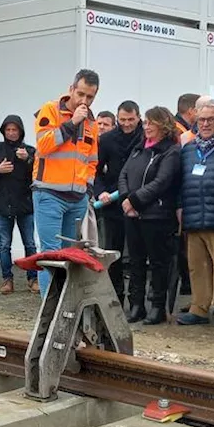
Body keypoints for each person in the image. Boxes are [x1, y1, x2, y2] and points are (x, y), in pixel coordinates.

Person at [33, 70, 102, 295]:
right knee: (51, 255)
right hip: (49, 194)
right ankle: (49, 308)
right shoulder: (50, 110)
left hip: (77, 198)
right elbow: (43, 145)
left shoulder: (92, 123)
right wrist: (72, 123)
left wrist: (87, 190)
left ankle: (64, 305)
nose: (84, 101)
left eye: (89, 97)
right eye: (80, 94)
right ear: (71, 89)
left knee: (69, 255)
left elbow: (92, 160)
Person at [118, 106, 182, 325]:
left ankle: (157, 306)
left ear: (162, 125)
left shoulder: (170, 151)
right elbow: (124, 174)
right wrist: (127, 199)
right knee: (135, 261)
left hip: (156, 215)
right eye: (144, 122)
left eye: (150, 123)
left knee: (157, 263)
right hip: (132, 215)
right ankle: (136, 305)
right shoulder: (139, 148)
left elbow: (162, 182)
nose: (146, 127)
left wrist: (135, 200)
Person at [177, 99, 214, 329]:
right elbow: (181, 181)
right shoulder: (189, 148)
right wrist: (179, 207)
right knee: (196, 264)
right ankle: (199, 307)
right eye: (202, 119)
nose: (206, 124)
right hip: (192, 212)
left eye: (211, 119)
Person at [0, 115, 38, 294]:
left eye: (15, 130)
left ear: (21, 131)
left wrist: (28, 159)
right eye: (8, 130)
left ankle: (33, 278)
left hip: (25, 204)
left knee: (30, 244)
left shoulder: (29, 150)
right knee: (5, 244)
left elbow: (39, 172)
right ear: (3, 131)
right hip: (3, 204)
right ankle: (7, 279)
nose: (11, 133)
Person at [95, 101, 143, 305]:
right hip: (112, 203)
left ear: (138, 117)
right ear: (117, 118)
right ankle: (115, 296)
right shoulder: (106, 140)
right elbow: (95, 170)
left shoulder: (145, 136)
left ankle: (136, 299)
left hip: (137, 201)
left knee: (137, 254)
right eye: (122, 120)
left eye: (131, 120)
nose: (127, 124)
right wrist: (100, 192)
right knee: (113, 252)